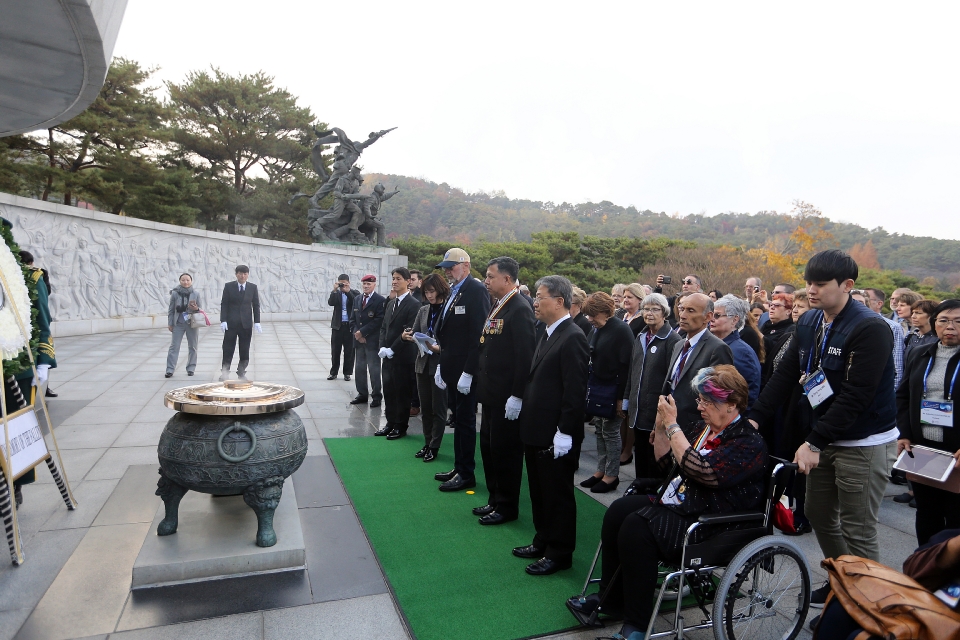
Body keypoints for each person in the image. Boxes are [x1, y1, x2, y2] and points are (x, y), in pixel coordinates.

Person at [569, 365, 768, 640]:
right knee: (618, 511)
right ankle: (611, 600)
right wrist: (662, 429)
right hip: (685, 501)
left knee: (637, 528)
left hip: (714, 519)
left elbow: (703, 472)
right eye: (700, 400)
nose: (701, 406)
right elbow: (668, 466)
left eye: (708, 401)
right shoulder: (703, 428)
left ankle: (636, 625)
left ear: (732, 405)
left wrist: (673, 426)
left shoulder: (748, 441)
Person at [749, 249, 898, 610]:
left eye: (820, 284)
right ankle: (841, 584)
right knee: (817, 513)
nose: (811, 291)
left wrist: (813, 441)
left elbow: (856, 397)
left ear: (847, 285)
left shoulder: (869, 328)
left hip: (862, 441)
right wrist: (755, 417)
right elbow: (786, 375)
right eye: (808, 283)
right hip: (823, 436)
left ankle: (869, 607)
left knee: (857, 528)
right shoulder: (811, 320)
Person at [512, 275, 588, 576]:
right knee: (539, 490)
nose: (535, 301)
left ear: (559, 301)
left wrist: (566, 431)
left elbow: (575, 391)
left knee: (557, 494)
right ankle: (542, 538)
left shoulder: (573, 336)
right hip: (536, 427)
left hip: (556, 432)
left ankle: (559, 552)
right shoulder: (545, 331)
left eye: (540, 296)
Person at [474, 257, 536, 524]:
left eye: (490, 276)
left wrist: (517, 395)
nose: (486, 281)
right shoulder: (499, 304)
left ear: (507, 280)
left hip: (506, 397)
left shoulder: (519, 308)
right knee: (488, 448)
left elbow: (525, 357)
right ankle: (494, 498)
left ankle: (507, 506)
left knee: (505, 452)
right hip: (491, 393)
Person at [814, 529, 960, 638]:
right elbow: (911, 570)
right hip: (923, 607)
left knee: (864, 635)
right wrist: (952, 549)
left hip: (944, 625)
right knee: (840, 610)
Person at [896, 299, 960, 545]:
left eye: (958, 321)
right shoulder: (920, 354)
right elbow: (903, 396)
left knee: (955, 520)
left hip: (955, 454)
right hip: (923, 449)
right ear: (935, 325)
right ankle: (926, 570)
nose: (950, 326)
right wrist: (904, 433)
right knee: (926, 514)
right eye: (943, 321)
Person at [432, 248, 491, 492]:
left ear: (466, 265)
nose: (447, 271)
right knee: (458, 420)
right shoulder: (455, 291)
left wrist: (469, 371)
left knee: (465, 422)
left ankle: (466, 473)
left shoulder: (475, 291)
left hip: (464, 371)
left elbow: (478, 335)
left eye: (452, 266)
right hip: (451, 367)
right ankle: (459, 466)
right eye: (445, 267)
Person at [579, 292, 635, 493]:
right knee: (601, 431)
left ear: (605, 312)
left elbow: (627, 367)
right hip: (598, 386)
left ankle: (612, 475)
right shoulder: (597, 329)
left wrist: (622, 398)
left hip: (614, 389)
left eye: (593, 315)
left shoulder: (621, 330)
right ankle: (600, 471)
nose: (589, 319)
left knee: (611, 433)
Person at [623, 293, 683, 480]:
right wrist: (626, 399)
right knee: (640, 454)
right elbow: (632, 371)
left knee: (655, 460)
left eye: (655, 309)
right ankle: (640, 488)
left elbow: (671, 379)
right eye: (646, 309)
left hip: (656, 412)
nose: (649, 313)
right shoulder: (641, 336)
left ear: (664, 313)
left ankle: (651, 494)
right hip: (638, 408)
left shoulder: (672, 339)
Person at [661, 293, 734, 430]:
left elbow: (719, 398)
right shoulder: (679, 345)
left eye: (691, 311)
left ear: (708, 317)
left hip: (695, 428)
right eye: (682, 309)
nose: (682, 315)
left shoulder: (718, 348)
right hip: (669, 423)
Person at [403, 273, 450, 462]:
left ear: (440, 289)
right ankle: (427, 441)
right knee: (425, 406)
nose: (430, 296)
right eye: (426, 292)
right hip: (422, 362)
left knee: (438, 408)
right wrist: (410, 336)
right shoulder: (423, 310)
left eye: (432, 291)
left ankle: (435, 445)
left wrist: (437, 347)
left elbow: (453, 339)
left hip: (439, 364)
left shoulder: (448, 309)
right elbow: (415, 331)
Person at [374, 268, 421, 440]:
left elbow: (409, 332)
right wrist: (382, 347)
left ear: (408, 281)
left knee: (402, 393)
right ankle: (390, 423)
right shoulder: (391, 303)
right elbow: (384, 328)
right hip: (388, 356)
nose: (394, 281)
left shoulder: (414, 304)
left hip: (403, 356)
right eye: (393, 278)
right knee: (389, 391)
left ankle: (400, 426)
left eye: (398, 279)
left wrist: (393, 348)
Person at [710, 295, 761, 408]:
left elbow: (748, 393)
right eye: (712, 314)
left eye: (717, 315)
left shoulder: (742, 352)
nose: (712, 319)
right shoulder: (715, 345)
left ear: (734, 320)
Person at [219, 265, 261, 381]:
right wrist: (223, 320)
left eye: (245, 274)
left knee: (244, 349)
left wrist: (257, 321)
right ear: (236, 274)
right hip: (231, 324)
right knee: (228, 348)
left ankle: (241, 372)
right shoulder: (229, 286)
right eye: (240, 273)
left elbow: (256, 305)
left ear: (248, 275)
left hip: (246, 324)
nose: (243, 276)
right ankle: (225, 372)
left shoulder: (252, 287)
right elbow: (224, 304)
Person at [350, 274, 386, 407]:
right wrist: (356, 333)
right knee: (359, 368)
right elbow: (352, 319)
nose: (366, 286)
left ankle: (376, 396)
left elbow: (379, 320)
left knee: (374, 369)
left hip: (372, 341)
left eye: (369, 284)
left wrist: (363, 332)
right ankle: (362, 394)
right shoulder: (357, 299)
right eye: (364, 284)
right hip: (358, 341)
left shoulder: (379, 300)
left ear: (374, 284)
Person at [862, 287, 906, 390]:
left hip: (881, 388)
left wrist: (893, 393)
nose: (863, 302)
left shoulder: (893, 326)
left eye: (867, 298)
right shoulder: (849, 323)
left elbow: (897, 364)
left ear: (879, 304)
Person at [166, 273, 202, 378]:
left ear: (191, 281)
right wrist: (170, 323)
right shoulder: (175, 294)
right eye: (183, 280)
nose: (185, 282)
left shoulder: (195, 293)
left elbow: (201, 309)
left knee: (193, 347)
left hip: (192, 323)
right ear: (180, 281)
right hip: (178, 323)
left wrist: (196, 309)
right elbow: (171, 310)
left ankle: (191, 368)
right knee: (174, 346)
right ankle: (170, 369)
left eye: (187, 280)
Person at [327, 274, 358, 381]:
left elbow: (356, 302)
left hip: (349, 327)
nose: (342, 285)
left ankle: (347, 373)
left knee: (349, 351)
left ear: (348, 282)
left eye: (344, 282)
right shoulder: (336, 293)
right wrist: (335, 290)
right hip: (337, 326)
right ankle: (333, 372)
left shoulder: (354, 293)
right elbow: (331, 303)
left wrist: (348, 291)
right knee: (335, 350)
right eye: (340, 282)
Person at [761, 292, 795, 386]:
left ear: (788, 311)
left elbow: (776, 350)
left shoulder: (790, 329)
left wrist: (758, 336)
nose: (772, 307)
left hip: (772, 379)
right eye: (771, 305)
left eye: (777, 305)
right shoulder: (765, 325)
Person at [904, 298, 939, 364]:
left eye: (918, 313)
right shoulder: (911, 336)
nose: (913, 316)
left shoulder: (939, 339)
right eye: (912, 313)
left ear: (931, 316)